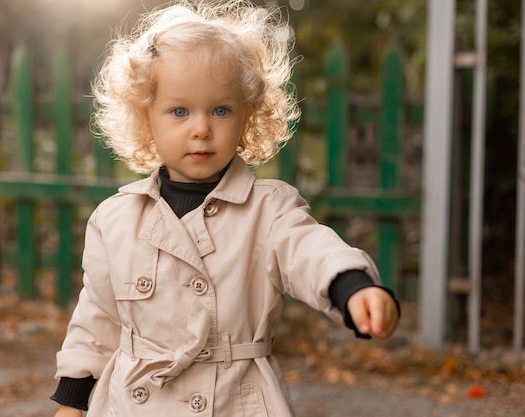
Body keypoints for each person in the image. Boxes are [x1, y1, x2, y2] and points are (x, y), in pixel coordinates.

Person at [51, 1, 400, 416]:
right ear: (146, 119)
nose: (201, 128)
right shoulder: (115, 218)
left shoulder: (268, 209)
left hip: (235, 400)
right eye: (179, 111)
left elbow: (310, 249)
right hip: (137, 401)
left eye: (220, 110)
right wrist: (72, 400)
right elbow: (97, 319)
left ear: (247, 116)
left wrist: (354, 286)